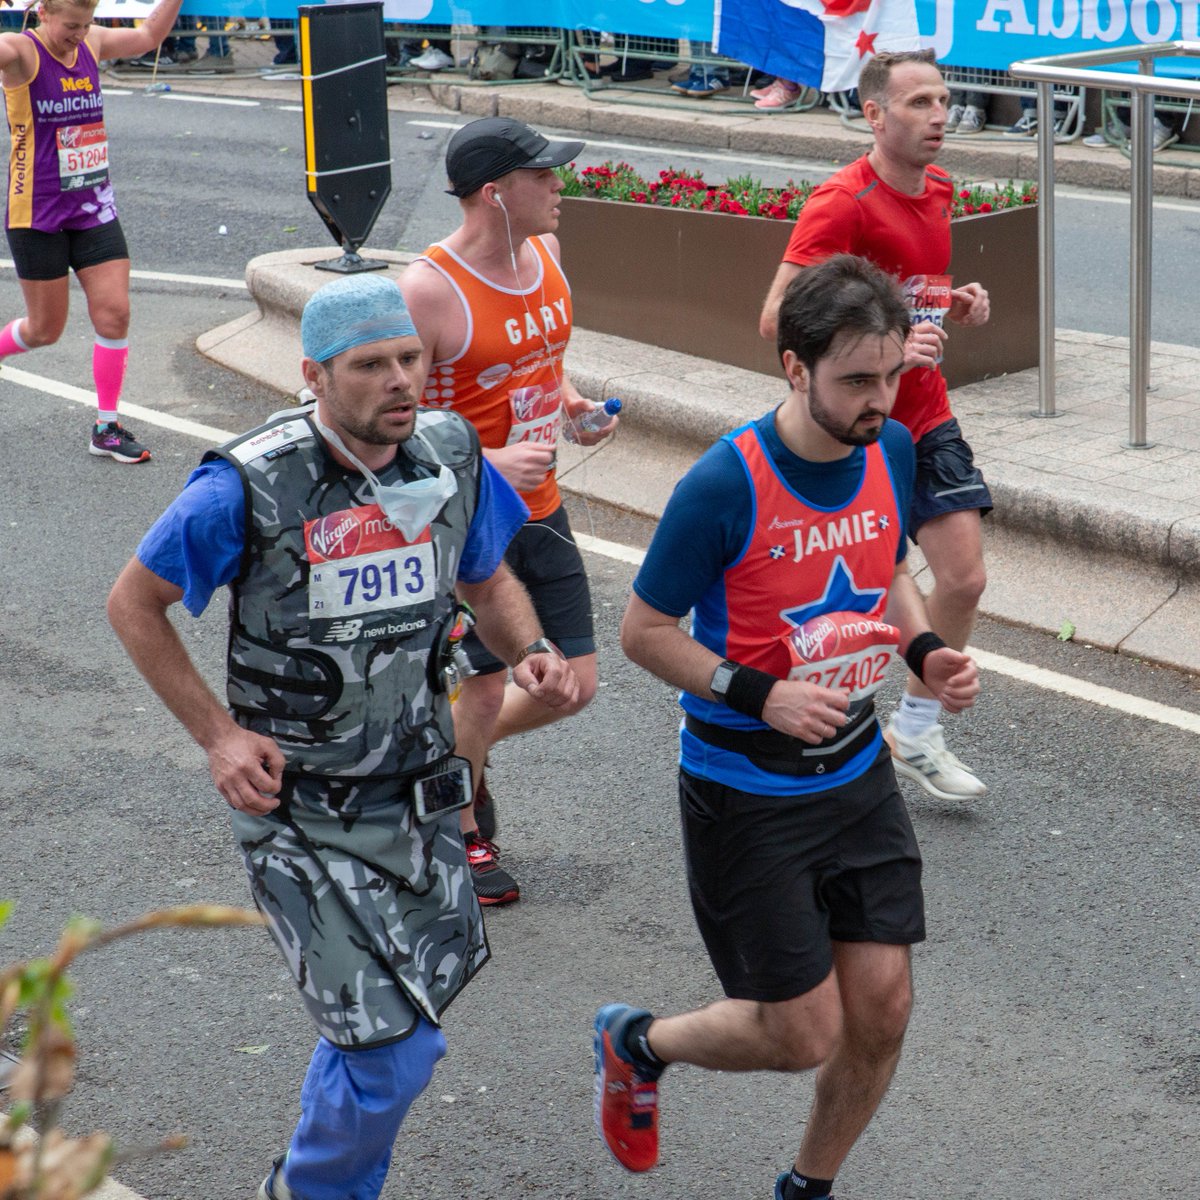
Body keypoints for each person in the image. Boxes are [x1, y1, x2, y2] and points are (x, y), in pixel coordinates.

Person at [106, 274, 580, 1200]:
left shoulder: (449, 453)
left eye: (411, 358)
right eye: (371, 365)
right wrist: (217, 736)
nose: (400, 380)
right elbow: (133, 604)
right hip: (298, 812)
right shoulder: (248, 483)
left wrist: (531, 649)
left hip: (416, 799)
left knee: (385, 1026)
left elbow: (485, 575)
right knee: (396, 1053)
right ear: (315, 375)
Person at [594, 254, 980, 1199]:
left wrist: (924, 650)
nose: (879, 400)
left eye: (891, 377)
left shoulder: (888, 449)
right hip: (745, 789)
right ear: (794, 368)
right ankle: (635, 1042)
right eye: (856, 380)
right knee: (801, 1034)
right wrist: (756, 691)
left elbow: (885, 565)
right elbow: (643, 633)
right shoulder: (724, 484)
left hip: (856, 774)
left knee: (882, 1012)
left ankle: (807, 1189)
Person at [759, 48, 992, 803]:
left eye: (944, 100)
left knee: (964, 577)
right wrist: (886, 346)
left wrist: (946, 302)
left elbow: (904, 290)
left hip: (927, 413)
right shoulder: (842, 203)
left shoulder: (942, 189)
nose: (939, 116)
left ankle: (916, 731)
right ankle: (799, 720)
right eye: (920, 102)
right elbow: (778, 321)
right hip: (860, 426)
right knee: (849, 596)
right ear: (874, 114)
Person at [401, 117, 613, 905]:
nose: (561, 186)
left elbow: (537, 362)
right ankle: (460, 823)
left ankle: (449, 757)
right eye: (546, 176)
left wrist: (572, 404)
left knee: (575, 684)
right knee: (488, 687)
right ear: (497, 193)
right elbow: (392, 422)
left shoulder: (547, 255)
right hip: (462, 518)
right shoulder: (430, 289)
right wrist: (485, 460)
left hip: (542, 506)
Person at [0, 0, 184, 462]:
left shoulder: (93, 41)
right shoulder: (21, 52)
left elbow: (147, 37)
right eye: (70, 26)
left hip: (93, 207)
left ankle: (107, 427)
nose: (79, 35)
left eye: (86, 25)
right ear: (42, 13)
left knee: (114, 313)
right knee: (45, 330)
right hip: (37, 212)